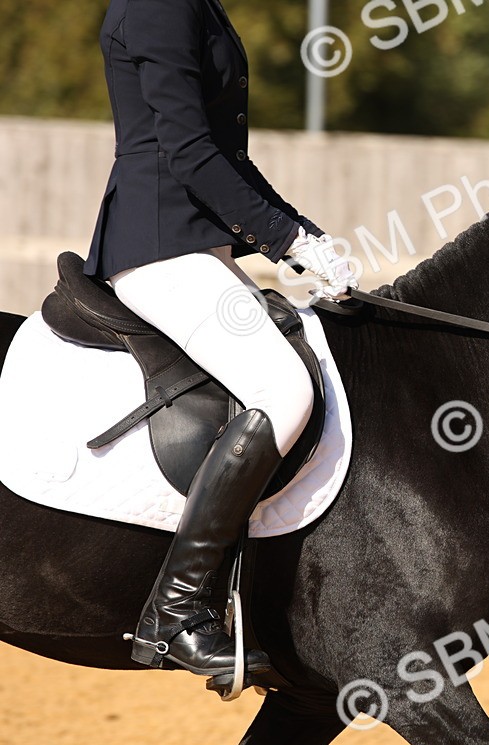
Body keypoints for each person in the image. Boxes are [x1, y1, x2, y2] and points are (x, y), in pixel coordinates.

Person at [82, 0, 356, 680]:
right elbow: (188, 149)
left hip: (196, 247)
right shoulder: (160, 6)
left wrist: (302, 235)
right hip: (156, 246)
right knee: (285, 390)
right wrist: (284, 238)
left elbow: (228, 156)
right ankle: (174, 613)